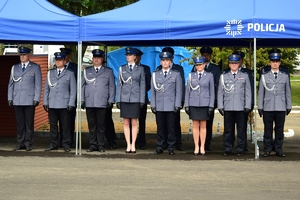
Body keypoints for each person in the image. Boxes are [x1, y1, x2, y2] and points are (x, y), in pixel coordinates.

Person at [8, 46, 42, 151]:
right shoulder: (15, 67)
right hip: (17, 99)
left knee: (29, 123)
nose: (22, 57)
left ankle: (28, 143)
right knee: (20, 123)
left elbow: (38, 85)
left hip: (29, 100)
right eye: (21, 55)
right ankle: (20, 142)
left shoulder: (35, 67)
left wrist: (36, 98)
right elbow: (11, 84)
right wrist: (10, 98)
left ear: (28, 55)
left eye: (24, 55)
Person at [258, 52, 291, 157]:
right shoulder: (264, 76)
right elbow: (261, 93)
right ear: (270, 63)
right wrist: (260, 106)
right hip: (268, 106)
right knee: (268, 129)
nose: (275, 64)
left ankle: (278, 149)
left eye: (277, 61)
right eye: (273, 61)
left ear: (280, 63)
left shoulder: (285, 76)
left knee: (279, 129)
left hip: (281, 106)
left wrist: (288, 106)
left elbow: (288, 92)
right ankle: (267, 149)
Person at [81, 49, 115, 152]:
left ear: (102, 59)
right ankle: (92, 144)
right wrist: (82, 100)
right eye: (94, 58)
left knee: (101, 125)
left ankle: (101, 145)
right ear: (92, 59)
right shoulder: (87, 71)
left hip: (102, 102)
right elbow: (82, 86)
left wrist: (111, 100)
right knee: (92, 125)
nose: (96, 60)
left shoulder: (108, 71)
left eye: (98, 58)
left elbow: (112, 86)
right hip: (90, 101)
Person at [218, 54, 251, 156]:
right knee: (228, 130)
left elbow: (248, 92)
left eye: (236, 63)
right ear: (229, 64)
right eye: (232, 63)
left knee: (241, 129)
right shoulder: (224, 76)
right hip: (228, 106)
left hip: (240, 106)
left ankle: (240, 148)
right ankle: (228, 148)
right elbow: (220, 92)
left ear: (239, 64)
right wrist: (220, 106)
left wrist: (248, 106)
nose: (234, 65)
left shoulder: (244, 76)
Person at [43, 52, 76, 152]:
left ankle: (66, 144)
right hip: (52, 103)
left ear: (64, 61)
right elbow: (46, 89)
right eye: (56, 60)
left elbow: (73, 90)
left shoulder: (70, 73)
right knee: (53, 125)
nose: (58, 62)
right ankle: (53, 143)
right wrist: (45, 102)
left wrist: (71, 103)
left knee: (65, 125)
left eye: (60, 60)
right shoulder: (50, 73)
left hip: (64, 104)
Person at [151, 51, 183, 155]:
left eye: (167, 60)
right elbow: (153, 91)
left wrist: (177, 104)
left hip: (171, 105)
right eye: (163, 60)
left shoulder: (176, 74)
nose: (165, 62)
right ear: (161, 62)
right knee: (160, 127)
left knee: (171, 127)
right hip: (159, 104)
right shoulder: (155, 75)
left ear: (170, 62)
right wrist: (153, 105)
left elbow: (179, 91)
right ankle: (160, 146)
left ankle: (171, 147)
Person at [116, 47, 146, 153]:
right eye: (127, 55)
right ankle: (128, 144)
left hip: (135, 98)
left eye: (130, 55)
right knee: (125, 122)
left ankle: (133, 144)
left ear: (135, 57)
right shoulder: (122, 68)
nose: (128, 57)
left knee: (134, 122)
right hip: (125, 98)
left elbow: (142, 85)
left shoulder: (140, 69)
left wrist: (142, 100)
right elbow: (119, 85)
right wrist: (118, 99)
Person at [191, 47, 221, 151]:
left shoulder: (215, 69)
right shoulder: (195, 68)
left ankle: (207, 143)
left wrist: (215, 102)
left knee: (208, 124)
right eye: (204, 54)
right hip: (196, 101)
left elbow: (217, 86)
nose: (206, 56)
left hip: (209, 101)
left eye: (207, 54)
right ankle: (197, 144)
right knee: (196, 124)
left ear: (210, 56)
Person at [185, 56, 214, 156]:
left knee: (203, 125)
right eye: (197, 65)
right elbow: (187, 91)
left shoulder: (209, 75)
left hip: (205, 103)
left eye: (200, 64)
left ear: (204, 65)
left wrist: (211, 105)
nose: (199, 67)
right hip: (193, 103)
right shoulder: (191, 75)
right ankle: (196, 146)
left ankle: (202, 146)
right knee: (195, 125)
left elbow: (212, 92)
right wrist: (187, 105)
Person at [59, 47, 78, 148]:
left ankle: (70, 140)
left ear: (69, 56)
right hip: (60, 98)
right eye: (63, 55)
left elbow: (78, 83)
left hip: (71, 98)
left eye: (66, 55)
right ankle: (61, 140)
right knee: (61, 121)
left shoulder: (75, 67)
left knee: (70, 121)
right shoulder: (56, 66)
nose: (64, 57)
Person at [134, 48, 151, 150]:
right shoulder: (125, 68)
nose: (135, 58)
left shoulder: (146, 68)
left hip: (142, 98)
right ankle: (131, 141)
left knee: (141, 121)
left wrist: (139, 92)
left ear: (140, 57)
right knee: (130, 121)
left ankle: (141, 142)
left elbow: (148, 84)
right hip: (130, 99)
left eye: (137, 56)